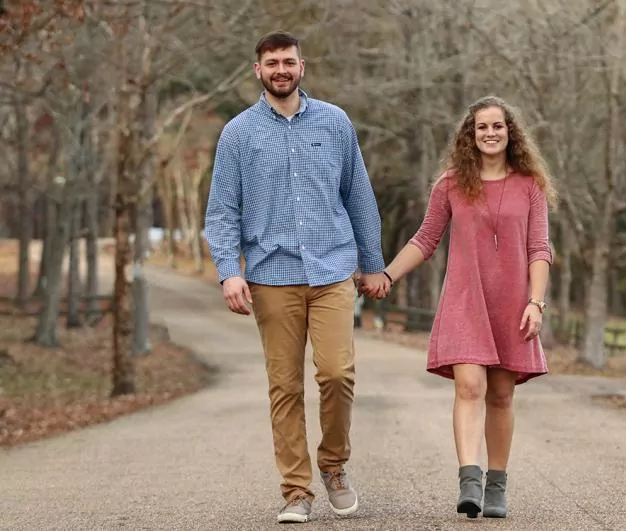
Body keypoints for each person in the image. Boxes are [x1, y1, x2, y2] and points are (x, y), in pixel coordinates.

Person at [204, 30, 390, 524]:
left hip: (332, 270)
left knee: (336, 372)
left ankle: (334, 465)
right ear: (258, 70)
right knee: (284, 386)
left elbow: (358, 196)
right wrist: (228, 272)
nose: (281, 70)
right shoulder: (238, 134)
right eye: (272, 63)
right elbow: (221, 212)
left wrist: (372, 263)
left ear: (301, 66)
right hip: (271, 275)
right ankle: (295, 491)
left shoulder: (334, 122)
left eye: (288, 61)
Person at [362, 95, 556, 519]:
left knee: (501, 394)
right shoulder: (450, 184)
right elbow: (425, 239)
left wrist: (536, 302)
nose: (490, 133)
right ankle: (470, 480)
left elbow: (539, 248)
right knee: (469, 387)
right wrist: (387, 275)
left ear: (510, 132)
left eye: (497, 126)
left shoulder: (530, 185)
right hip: (465, 300)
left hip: (512, 303)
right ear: (470, 134)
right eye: (481, 127)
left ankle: (496, 485)